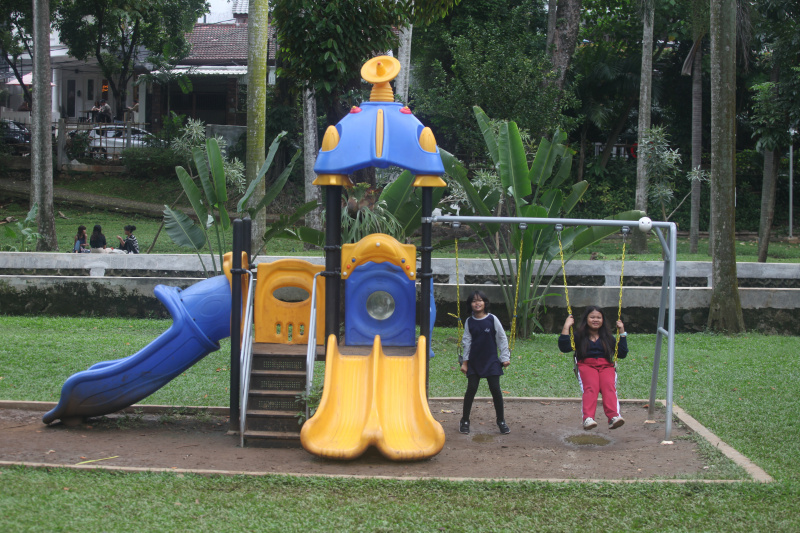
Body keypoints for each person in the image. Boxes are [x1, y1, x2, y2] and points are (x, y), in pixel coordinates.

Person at [558, 306, 628, 431]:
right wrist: (566, 326)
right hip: (586, 365)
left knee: (609, 387)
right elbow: (564, 347)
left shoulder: (607, 337)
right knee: (591, 388)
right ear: (586, 319)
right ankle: (588, 418)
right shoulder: (579, 336)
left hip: (606, 366)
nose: (595, 320)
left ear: (603, 320)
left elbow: (622, 353)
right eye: (592, 317)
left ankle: (613, 417)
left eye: (598, 318)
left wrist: (622, 331)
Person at [459, 290, 511, 435]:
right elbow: (467, 342)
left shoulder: (492, 319)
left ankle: (501, 421)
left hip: (491, 360)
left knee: (495, 389)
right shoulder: (469, 321)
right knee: (472, 389)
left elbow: (501, 338)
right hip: (474, 361)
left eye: (480, 300)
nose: (477, 303)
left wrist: (505, 357)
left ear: (485, 303)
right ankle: (465, 420)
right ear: (470, 304)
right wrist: (465, 362)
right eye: (474, 301)